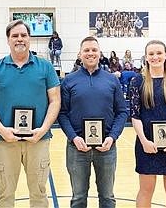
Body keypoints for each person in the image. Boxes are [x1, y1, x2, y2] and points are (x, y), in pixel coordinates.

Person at [0, 19, 61, 208]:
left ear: (29, 39)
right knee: (5, 194)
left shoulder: (45, 67)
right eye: (15, 36)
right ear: (8, 40)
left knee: (39, 193)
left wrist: (43, 130)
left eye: (23, 35)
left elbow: (55, 101)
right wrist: (2, 130)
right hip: (5, 141)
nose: (19, 39)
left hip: (38, 140)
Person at [58, 36, 128, 208]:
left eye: (94, 50)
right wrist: (74, 137)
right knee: (78, 198)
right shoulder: (68, 80)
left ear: (99, 53)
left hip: (106, 147)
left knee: (107, 198)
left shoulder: (112, 80)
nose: (90, 53)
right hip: (77, 148)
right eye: (86, 50)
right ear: (79, 54)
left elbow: (122, 112)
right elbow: (62, 113)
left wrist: (112, 137)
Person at [129, 40, 166, 208]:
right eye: (151, 54)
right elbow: (135, 115)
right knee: (145, 191)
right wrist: (144, 141)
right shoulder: (137, 81)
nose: (155, 57)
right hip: (147, 144)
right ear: (146, 57)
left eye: (159, 53)